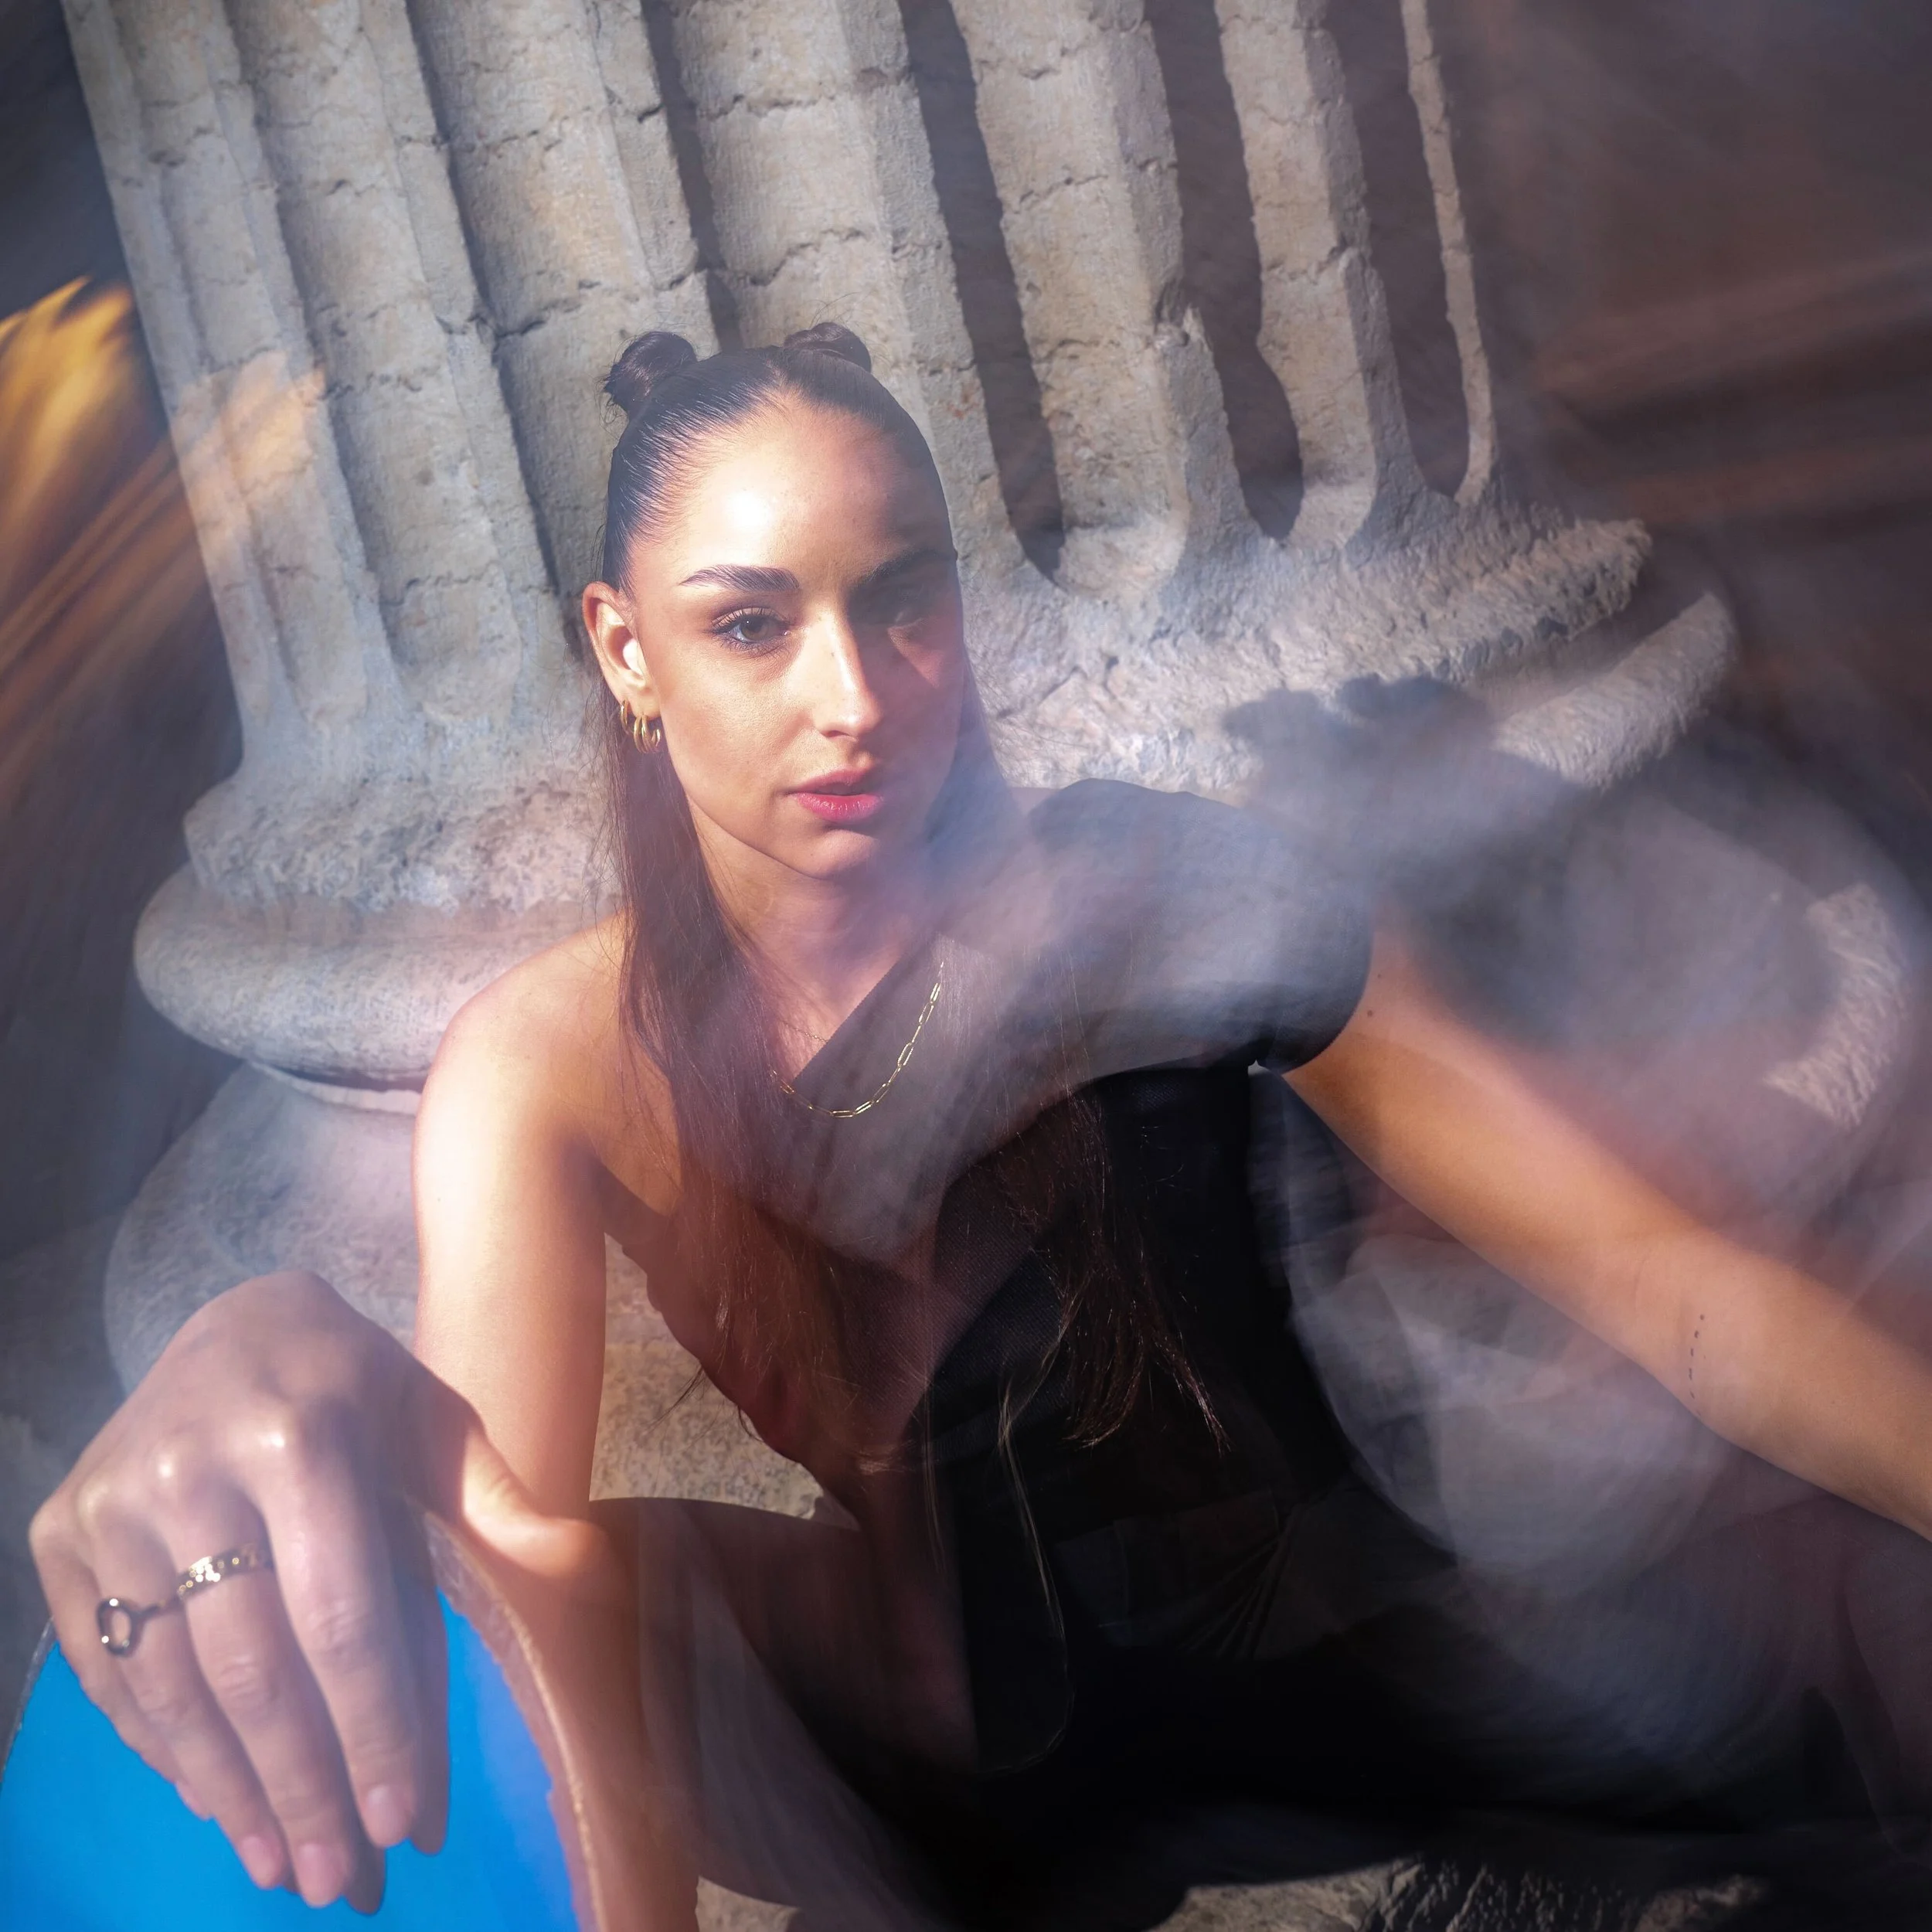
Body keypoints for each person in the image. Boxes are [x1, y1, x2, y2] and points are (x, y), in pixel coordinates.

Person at [26, 324, 1932, 1927]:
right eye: (749, 625)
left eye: (900, 600)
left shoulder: (1165, 895)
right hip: (952, 1767)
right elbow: (508, 1594)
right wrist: (265, 1340)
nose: (851, 698)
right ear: (623, 650)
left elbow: (1667, 1282)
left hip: (1349, 1697)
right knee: (566, 1577)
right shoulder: (544, 1060)